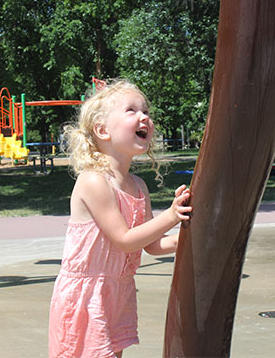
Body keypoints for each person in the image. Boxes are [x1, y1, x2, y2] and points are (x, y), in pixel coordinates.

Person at [48, 79, 192, 358]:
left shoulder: (138, 185)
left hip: (117, 292)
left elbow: (152, 245)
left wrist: (190, 235)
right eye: (132, 110)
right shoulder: (93, 182)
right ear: (102, 130)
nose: (144, 117)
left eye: (146, 111)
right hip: (85, 296)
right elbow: (125, 240)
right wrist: (172, 215)